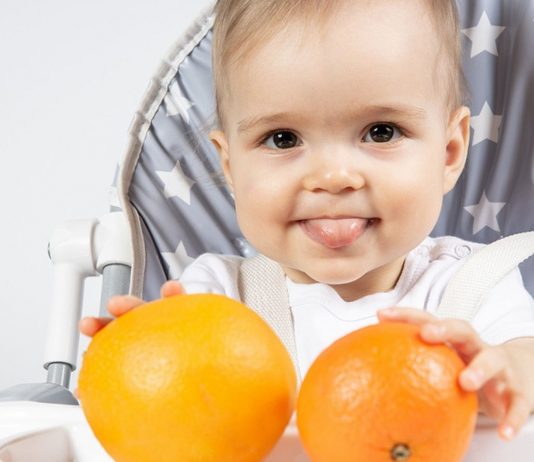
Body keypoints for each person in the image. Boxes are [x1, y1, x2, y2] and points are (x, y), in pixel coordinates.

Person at [81, 0, 534, 441]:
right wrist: (143, 357)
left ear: (450, 152)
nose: (333, 178)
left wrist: (508, 371)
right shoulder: (218, 299)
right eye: (282, 138)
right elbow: (176, 411)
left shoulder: (474, 286)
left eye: (382, 131)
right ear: (232, 166)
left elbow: (526, 358)